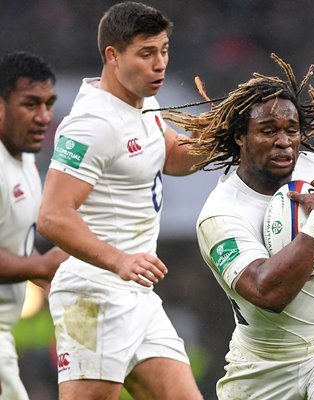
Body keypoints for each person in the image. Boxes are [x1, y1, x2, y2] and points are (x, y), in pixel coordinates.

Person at [162, 53, 314, 399]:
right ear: (240, 137)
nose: (284, 141)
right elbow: (269, 293)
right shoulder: (220, 216)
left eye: (291, 130)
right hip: (264, 365)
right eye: (268, 131)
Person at [36, 2, 205, 399]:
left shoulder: (145, 103)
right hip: (92, 296)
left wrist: (224, 140)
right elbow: (52, 216)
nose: (159, 63)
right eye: (146, 54)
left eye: (163, 50)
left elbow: (173, 159)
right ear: (113, 56)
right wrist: (120, 260)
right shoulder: (92, 124)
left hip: (137, 295)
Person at [0, 51, 67, 400]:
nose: (44, 117)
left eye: (48, 104)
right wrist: (41, 265)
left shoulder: (26, 160)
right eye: (30, 104)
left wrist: (57, 280)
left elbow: (16, 250)